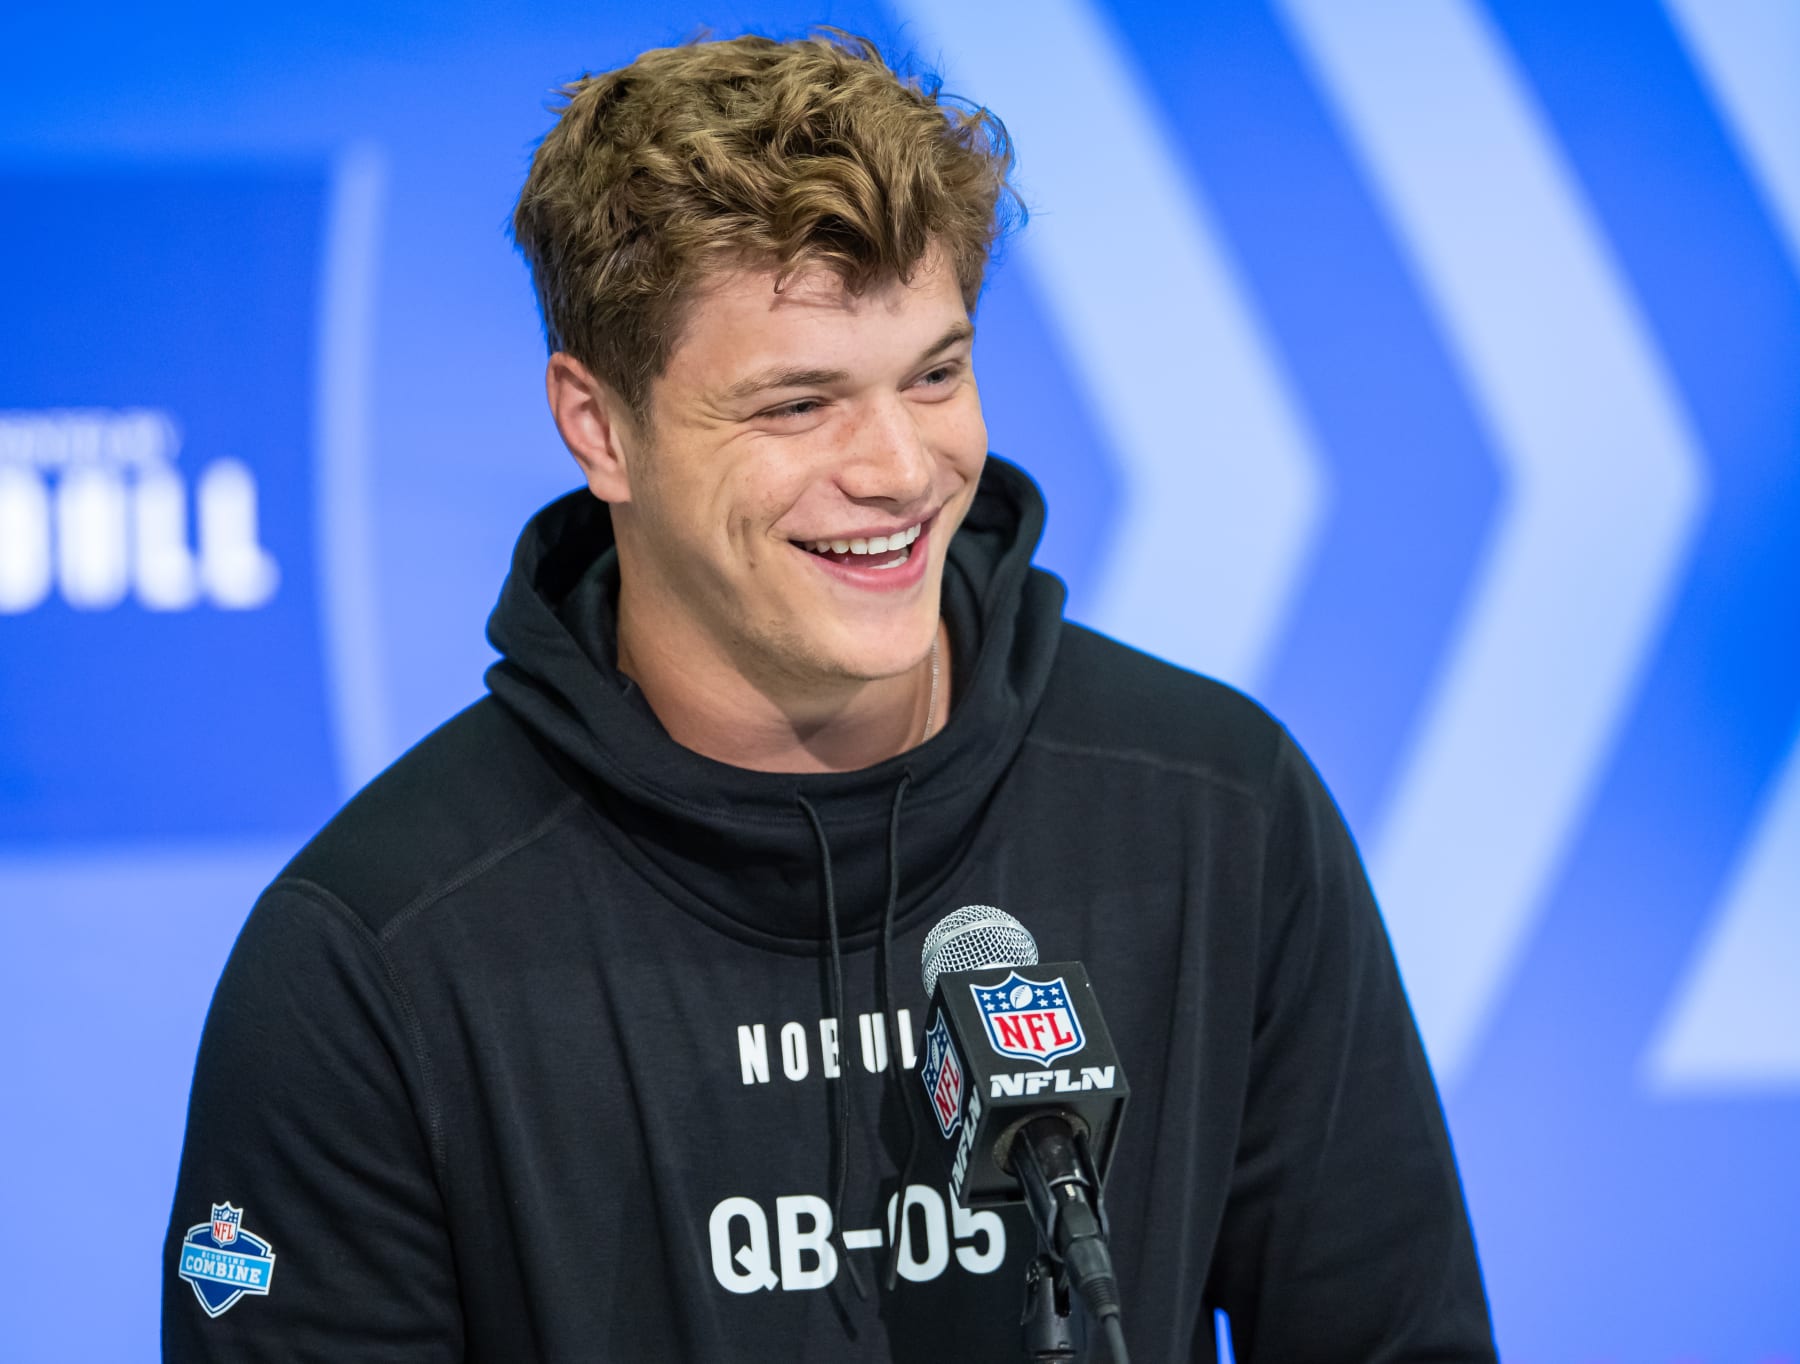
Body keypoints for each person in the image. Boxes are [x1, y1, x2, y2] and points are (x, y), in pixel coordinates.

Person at [163, 29, 1496, 1363]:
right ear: (599, 427)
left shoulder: (1218, 812)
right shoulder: (377, 953)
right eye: (799, 405)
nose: (901, 470)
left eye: (936, 374)